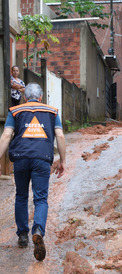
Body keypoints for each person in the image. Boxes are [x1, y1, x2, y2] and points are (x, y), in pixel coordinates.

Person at [0, 82, 66, 261]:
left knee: (21, 196)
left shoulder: (15, 111)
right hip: (42, 159)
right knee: (41, 198)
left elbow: (6, 135)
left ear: (24, 97)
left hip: (20, 158)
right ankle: (38, 230)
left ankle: (22, 235)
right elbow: (59, 135)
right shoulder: (52, 112)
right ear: (41, 97)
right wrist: (62, 160)